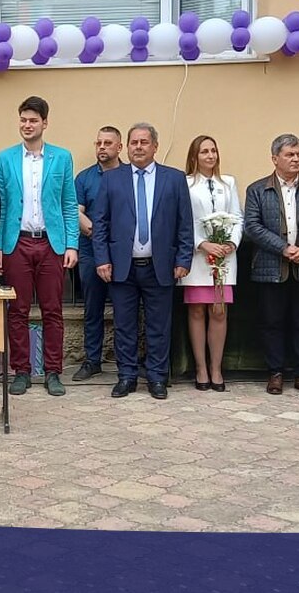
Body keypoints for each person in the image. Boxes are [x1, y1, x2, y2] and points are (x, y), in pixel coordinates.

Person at [93, 123, 193, 400]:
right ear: (126, 146)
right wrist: (102, 259)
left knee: (158, 326)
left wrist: (183, 258)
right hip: (121, 266)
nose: (138, 147)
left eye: (144, 142)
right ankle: (126, 376)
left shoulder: (174, 179)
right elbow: (100, 223)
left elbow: (185, 223)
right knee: (124, 325)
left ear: (155, 146)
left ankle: (157, 377)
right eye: (134, 142)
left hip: (160, 265)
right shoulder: (112, 179)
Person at [0, 96, 79, 396]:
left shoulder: (62, 157)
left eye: (33, 120)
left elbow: (69, 204)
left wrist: (72, 244)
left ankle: (53, 371)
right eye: (23, 120)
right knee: (17, 309)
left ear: (45, 123)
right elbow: (1, 206)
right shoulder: (5, 158)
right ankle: (21, 371)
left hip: (51, 244)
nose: (27, 125)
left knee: (52, 309)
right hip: (17, 243)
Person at [243, 134, 299, 396]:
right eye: (289, 155)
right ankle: (275, 373)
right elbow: (252, 226)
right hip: (271, 267)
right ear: (275, 158)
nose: (296, 159)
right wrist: (283, 248)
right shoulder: (257, 189)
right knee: (272, 322)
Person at [179, 135, 241, 392]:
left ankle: (216, 368)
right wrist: (202, 244)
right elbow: (182, 220)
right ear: (195, 156)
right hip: (197, 256)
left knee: (219, 310)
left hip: (224, 257)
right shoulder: (185, 184)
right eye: (204, 151)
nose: (210, 155)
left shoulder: (228, 183)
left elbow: (237, 216)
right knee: (196, 311)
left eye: (213, 150)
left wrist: (231, 243)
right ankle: (200, 368)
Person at [72, 126, 123, 382]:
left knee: (125, 309)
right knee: (92, 308)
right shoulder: (84, 178)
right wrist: (98, 235)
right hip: (90, 250)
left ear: (119, 147)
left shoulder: (128, 175)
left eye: (107, 143)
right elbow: (75, 211)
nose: (102, 147)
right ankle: (92, 361)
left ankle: (126, 362)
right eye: (99, 143)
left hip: (123, 253)